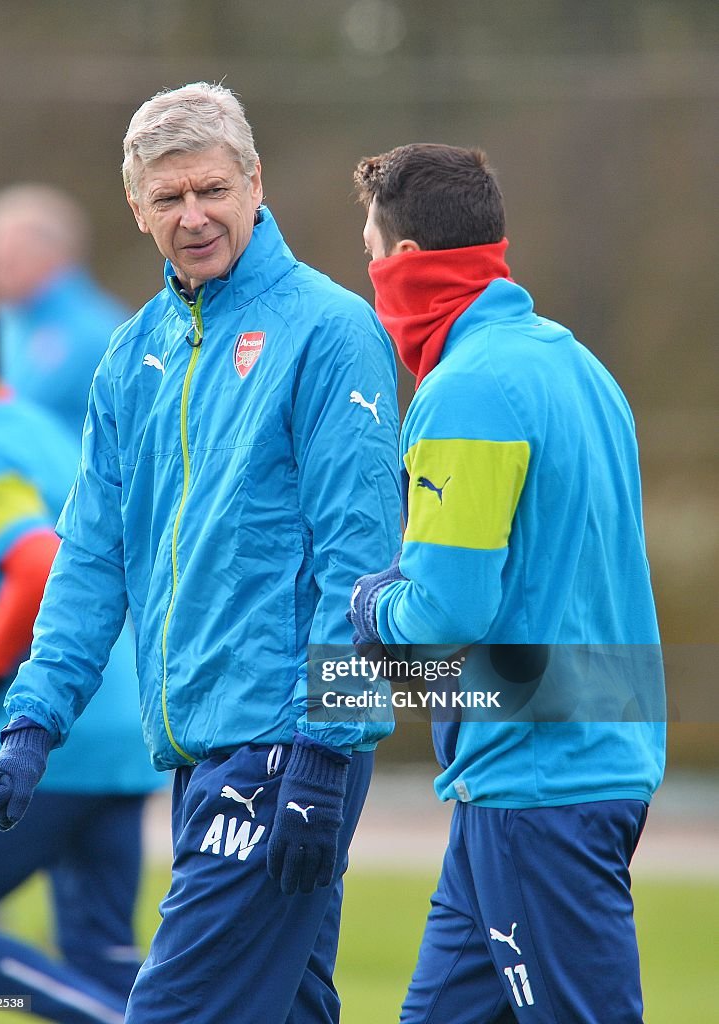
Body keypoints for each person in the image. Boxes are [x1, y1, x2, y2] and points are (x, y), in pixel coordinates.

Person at [0, 82, 401, 1024]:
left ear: (256, 182)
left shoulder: (329, 333)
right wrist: (32, 725)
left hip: (286, 747)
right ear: (136, 210)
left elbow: (360, 561)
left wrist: (326, 752)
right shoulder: (132, 355)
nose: (193, 215)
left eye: (211, 189)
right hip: (197, 748)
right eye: (167, 199)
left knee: (171, 1012)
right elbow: (89, 558)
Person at [349, 144, 666, 1024]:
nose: (369, 274)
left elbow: (446, 609)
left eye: (371, 252)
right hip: (560, 766)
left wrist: (372, 606)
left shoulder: (466, 391)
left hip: (540, 784)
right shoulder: (576, 365)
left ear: (406, 264)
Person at [0, 278, 165, 1023]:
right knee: (100, 950)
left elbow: (37, 566)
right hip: (122, 716)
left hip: (50, 734)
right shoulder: (40, 430)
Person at [0, 184, 128, 440]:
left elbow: (4, 414)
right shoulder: (3, 321)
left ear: (53, 256)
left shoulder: (99, 334)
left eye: (6, 261)